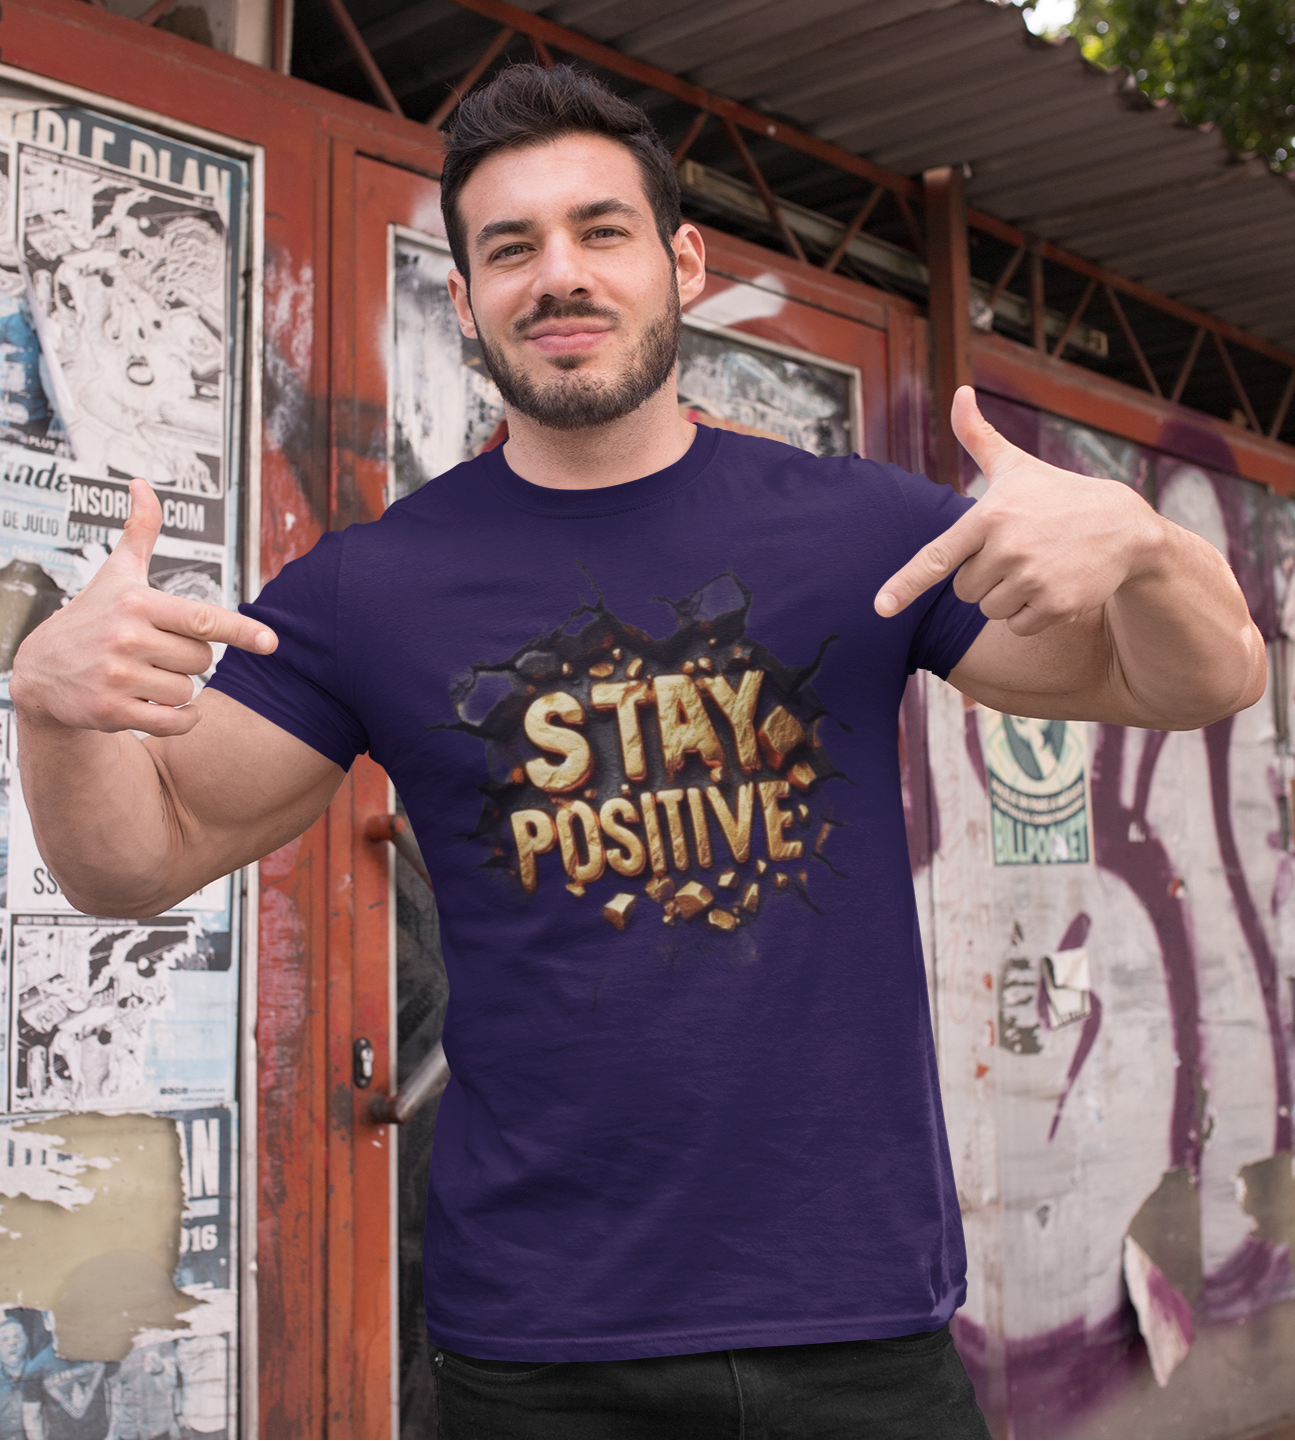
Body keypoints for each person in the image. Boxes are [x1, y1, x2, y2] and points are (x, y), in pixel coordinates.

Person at [10, 64, 1264, 1441]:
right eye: (510, 246)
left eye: (599, 231)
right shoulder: (370, 593)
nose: (559, 274)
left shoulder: (854, 531)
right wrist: (51, 707)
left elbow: (1196, 681)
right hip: (541, 1352)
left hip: (853, 1323)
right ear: (466, 292)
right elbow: (137, 857)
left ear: (679, 258)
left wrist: (1146, 549)